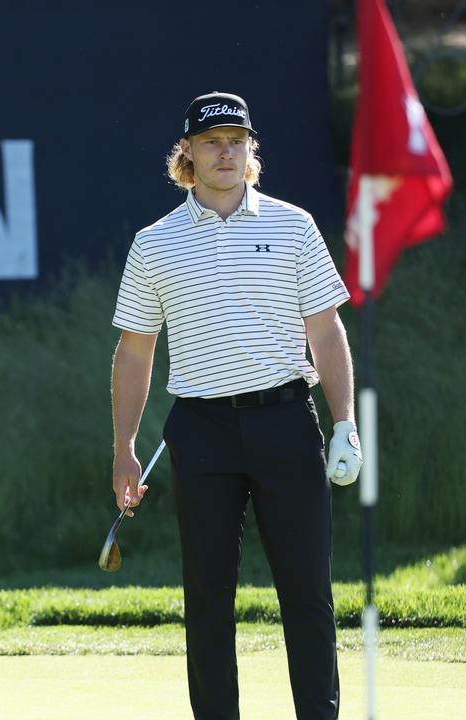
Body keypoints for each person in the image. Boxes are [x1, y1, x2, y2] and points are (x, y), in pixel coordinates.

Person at [109, 91, 364, 720]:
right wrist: (123, 450)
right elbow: (135, 352)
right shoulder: (154, 244)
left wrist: (344, 423)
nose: (225, 152)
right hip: (201, 431)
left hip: (285, 420)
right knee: (208, 596)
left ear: (251, 149)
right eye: (211, 142)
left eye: (236, 141)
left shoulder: (293, 225)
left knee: (307, 591)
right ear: (187, 156)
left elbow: (326, 330)